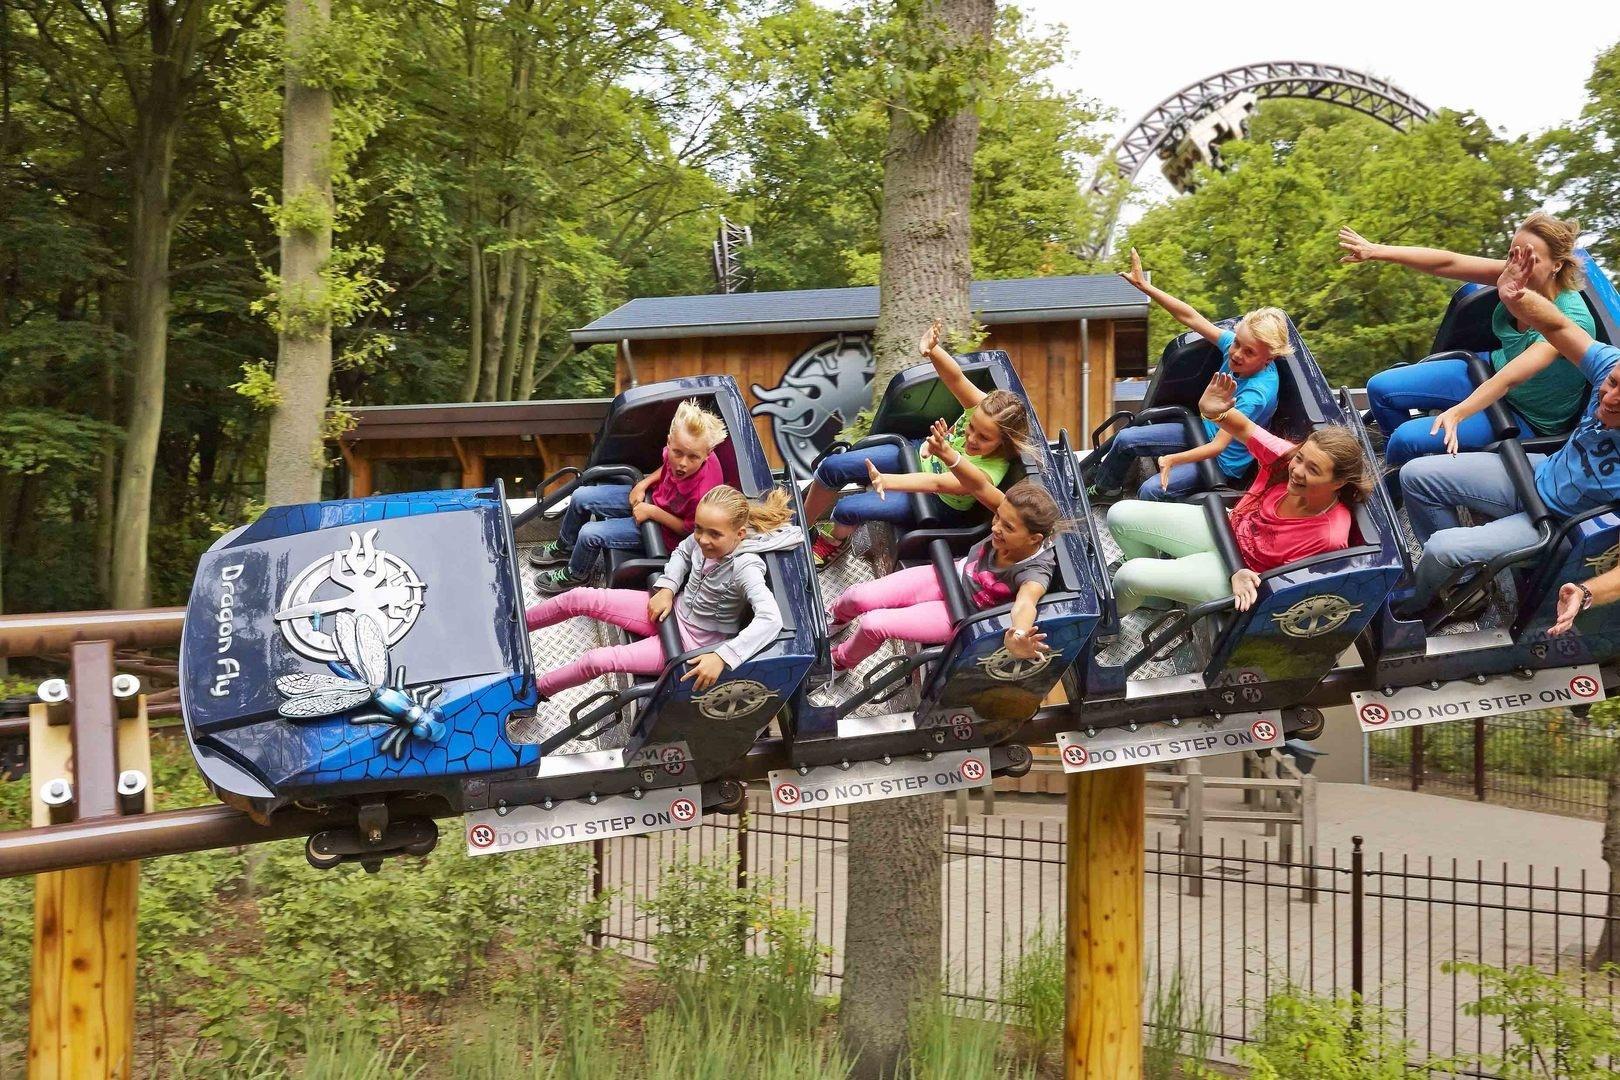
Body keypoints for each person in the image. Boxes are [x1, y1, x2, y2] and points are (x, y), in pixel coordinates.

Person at [1395, 244, 1620, 620]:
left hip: (1554, 523)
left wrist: (1587, 591)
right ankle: (1465, 585)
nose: (1608, 399)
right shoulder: (1611, 365)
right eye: (1611, 384)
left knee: (1441, 548)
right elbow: (1558, 326)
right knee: (1414, 475)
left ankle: (1415, 604)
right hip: (1537, 472)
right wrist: (1519, 298)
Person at [1340, 212, 1595, 467]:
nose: (1518, 266)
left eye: (1532, 259)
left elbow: (1510, 378)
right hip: (1490, 370)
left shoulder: (1571, 319)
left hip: (1525, 415)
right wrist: (1376, 250)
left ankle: (1399, 478)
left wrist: (1458, 413)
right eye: (1512, 255)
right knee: (1380, 388)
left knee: (1405, 439)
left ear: (1556, 265)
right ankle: (1408, 465)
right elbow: (1448, 263)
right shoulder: (1515, 273)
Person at [1106, 373, 1373, 616]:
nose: (1297, 470)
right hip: (1227, 527)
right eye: (1300, 458)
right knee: (1120, 514)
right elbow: (1243, 427)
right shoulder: (1285, 458)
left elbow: (1290, 589)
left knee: (1129, 575)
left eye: (1313, 470)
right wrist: (1213, 412)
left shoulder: (1327, 537)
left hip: (1238, 576)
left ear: (1337, 483)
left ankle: (1109, 625)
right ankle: (1156, 598)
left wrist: (1243, 576)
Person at [823, 417, 1060, 678]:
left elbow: (1025, 604)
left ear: (1034, 539)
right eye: (997, 518)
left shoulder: (1035, 573)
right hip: (948, 574)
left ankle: (839, 662)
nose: (996, 528)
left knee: (873, 624)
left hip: (959, 612)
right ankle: (834, 618)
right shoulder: (1009, 511)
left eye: (1008, 528)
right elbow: (978, 484)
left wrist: (1018, 635)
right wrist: (946, 454)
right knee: (858, 596)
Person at [525, 486, 801, 700]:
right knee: (578, 598)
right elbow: (683, 551)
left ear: (739, 535)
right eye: (699, 529)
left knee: (596, 660)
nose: (703, 540)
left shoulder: (745, 567)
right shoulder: (702, 539)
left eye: (714, 535)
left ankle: (534, 694)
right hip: (670, 611)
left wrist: (723, 656)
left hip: (686, 645)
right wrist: (668, 587)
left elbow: (770, 619)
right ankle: (517, 627)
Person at [801, 322, 1034, 567]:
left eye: (984, 438)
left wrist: (887, 480)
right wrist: (933, 350)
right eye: (971, 427)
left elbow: (935, 483)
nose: (972, 438)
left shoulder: (988, 472)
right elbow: (954, 378)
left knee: (847, 508)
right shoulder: (981, 408)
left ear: (1003, 442)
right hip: (918, 455)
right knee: (833, 466)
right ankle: (802, 526)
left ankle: (834, 542)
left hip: (935, 500)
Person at [1091, 248, 1289, 502]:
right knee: (1125, 438)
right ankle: (1107, 489)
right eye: (1237, 343)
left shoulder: (1255, 394)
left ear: (1268, 358)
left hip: (1220, 460)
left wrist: (1172, 460)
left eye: (1248, 352)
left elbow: (1218, 446)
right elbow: (1191, 317)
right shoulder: (1233, 346)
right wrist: (1146, 288)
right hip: (1201, 429)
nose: (1237, 353)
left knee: (1151, 490)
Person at [531, 398, 726, 595]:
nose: (682, 463)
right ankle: (566, 547)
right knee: (581, 496)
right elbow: (668, 466)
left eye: (693, 457)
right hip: (653, 499)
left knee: (589, 534)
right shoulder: (685, 450)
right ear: (669, 441)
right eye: (677, 453)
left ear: (707, 454)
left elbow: (689, 530)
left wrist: (653, 513)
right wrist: (643, 484)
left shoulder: (702, 495)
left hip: (661, 533)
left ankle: (577, 574)